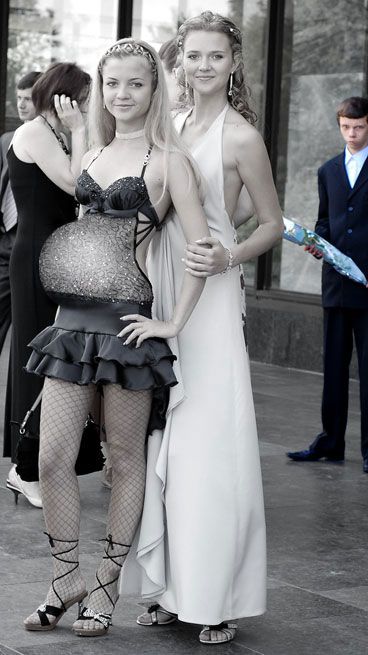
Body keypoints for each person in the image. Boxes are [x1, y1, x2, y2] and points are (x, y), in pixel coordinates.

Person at [22, 38, 209, 637]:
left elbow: (202, 250)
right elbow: (84, 234)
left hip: (127, 328)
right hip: (72, 326)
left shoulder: (171, 162)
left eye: (136, 83)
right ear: (99, 89)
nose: (122, 94)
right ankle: (64, 577)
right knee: (52, 458)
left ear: (154, 90)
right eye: (112, 83)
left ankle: (104, 584)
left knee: (124, 459)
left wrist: (172, 323)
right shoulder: (95, 152)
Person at [123, 11, 283, 645]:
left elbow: (270, 222)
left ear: (234, 63)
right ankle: (169, 589)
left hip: (211, 296)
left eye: (216, 56)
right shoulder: (172, 123)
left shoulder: (242, 136)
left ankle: (215, 599)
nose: (204, 66)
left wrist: (229, 256)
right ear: (180, 61)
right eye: (193, 55)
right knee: (163, 441)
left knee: (210, 447)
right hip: (161, 284)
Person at [287, 96, 368, 474]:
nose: (352, 134)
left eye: (359, 127)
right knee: (333, 370)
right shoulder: (327, 171)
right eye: (346, 127)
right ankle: (331, 442)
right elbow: (325, 222)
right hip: (335, 286)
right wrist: (317, 243)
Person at [4, 63, 91, 508]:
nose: (88, 108)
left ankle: (40, 461)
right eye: (85, 100)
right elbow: (78, 186)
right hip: (37, 255)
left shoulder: (55, 135)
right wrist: (80, 131)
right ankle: (25, 469)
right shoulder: (36, 132)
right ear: (65, 98)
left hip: (55, 254)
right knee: (34, 357)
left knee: (51, 356)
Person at [0, 71, 41, 355]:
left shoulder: (56, 142)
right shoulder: (6, 139)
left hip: (30, 240)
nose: (22, 105)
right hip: (5, 238)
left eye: (29, 99)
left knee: (26, 330)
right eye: (19, 98)